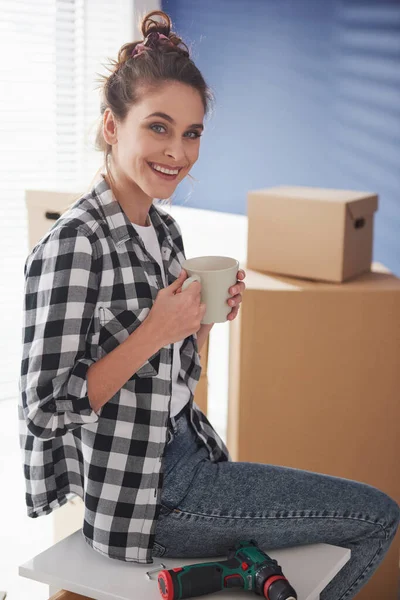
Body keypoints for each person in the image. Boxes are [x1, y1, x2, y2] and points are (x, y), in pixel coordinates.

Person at [18, 10, 399, 600]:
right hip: (149, 498)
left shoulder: (165, 232)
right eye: (159, 127)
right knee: (377, 516)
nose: (179, 152)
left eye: (192, 133)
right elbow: (44, 411)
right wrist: (152, 330)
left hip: (192, 451)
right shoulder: (74, 245)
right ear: (113, 127)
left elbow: (177, 382)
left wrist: (200, 326)